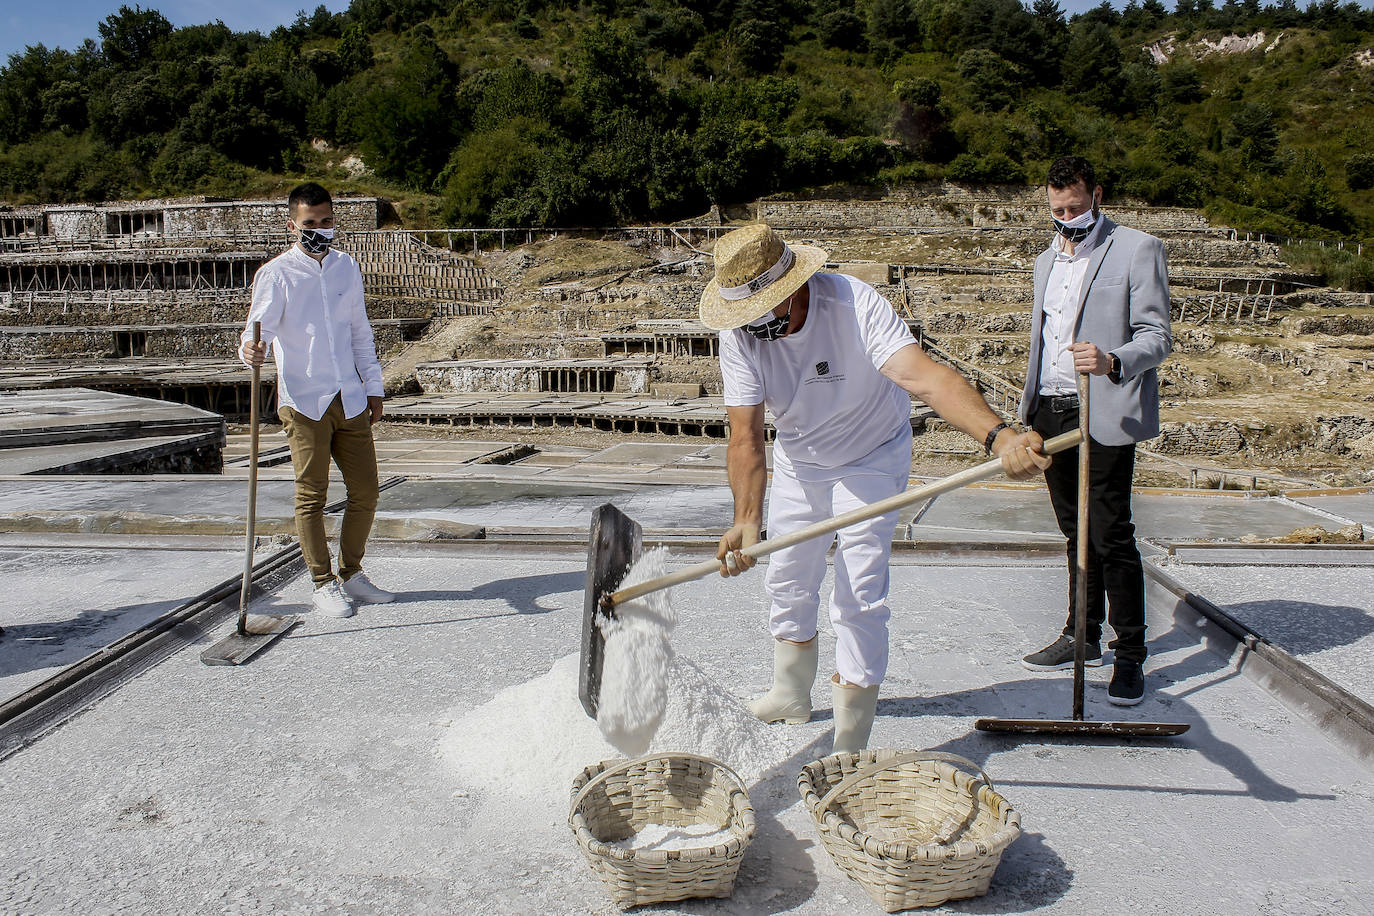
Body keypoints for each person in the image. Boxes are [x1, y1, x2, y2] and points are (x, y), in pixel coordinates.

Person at [704, 222, 1050, 755]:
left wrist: (999, 436)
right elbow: (746, 437)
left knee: (858, 591)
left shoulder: (852, 303)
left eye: (760, 311)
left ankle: (850, 734)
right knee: (789, 576)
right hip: (801, 459)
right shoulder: (739, 336)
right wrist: (747, 518)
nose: (751, 325)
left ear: (792, 289)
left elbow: (927, 379)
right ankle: (791, 693)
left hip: (871, 456)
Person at [1017, 156, 1172, 706]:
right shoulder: (1043, 263)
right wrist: (1026, 409)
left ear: (1097, 196)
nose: (1066, 217)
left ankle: (1130, 654)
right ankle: (1081, 635)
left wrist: (1112, 359)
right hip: (1051, 409)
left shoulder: (1137, 248)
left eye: (1076, 207)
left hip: (1102, 407)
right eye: (1057, 210)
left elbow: (1157, 336)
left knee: (1110, 530)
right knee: (1072, 529)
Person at [238, 182, 393, 618]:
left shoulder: (347, 267)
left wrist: (375, 386)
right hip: (304, 399)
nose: (319, 229)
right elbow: (257, 332)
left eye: (326, 221)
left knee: (366, 491)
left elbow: (360, 331)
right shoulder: (276, 274)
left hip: (350, 394)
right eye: (310, 223)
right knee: (312, 495)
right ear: (293, 225)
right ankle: (322, 582)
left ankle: (353, 573)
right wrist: (250, 350)